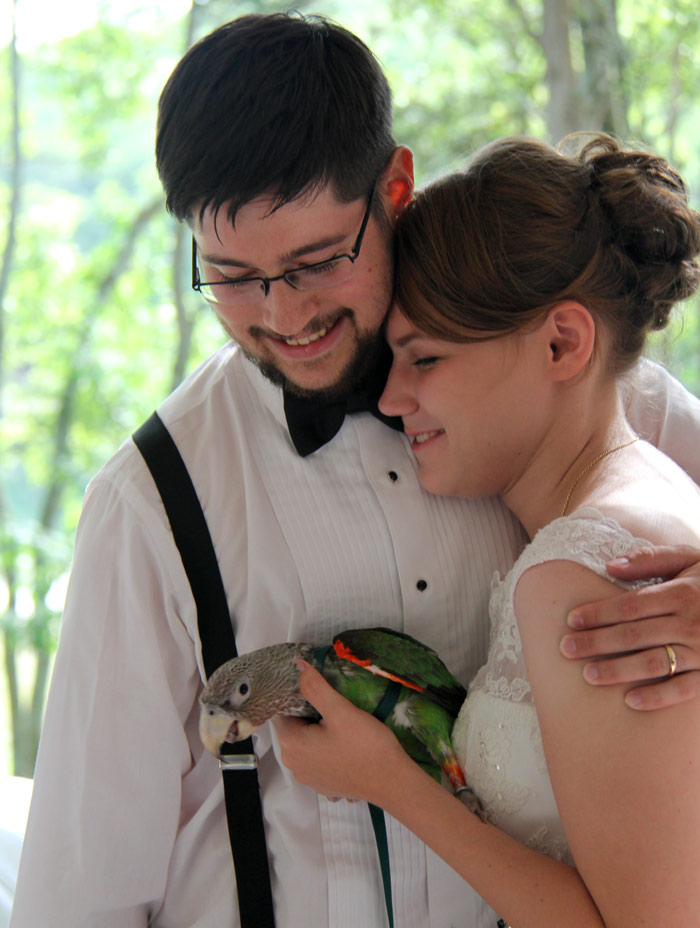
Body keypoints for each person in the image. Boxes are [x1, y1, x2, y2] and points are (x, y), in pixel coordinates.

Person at [9, 14, 700, 928]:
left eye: (314, 261)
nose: (282, 313)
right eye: (230, 276)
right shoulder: (150, 506)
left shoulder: (585, 392)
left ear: (397, 188)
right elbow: (80, 897)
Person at [276, 134, 700, 926]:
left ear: (560, 343)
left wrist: (397, 786)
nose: (393, 400)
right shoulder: (659, 492)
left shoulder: (578, 576)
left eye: (425, 359)